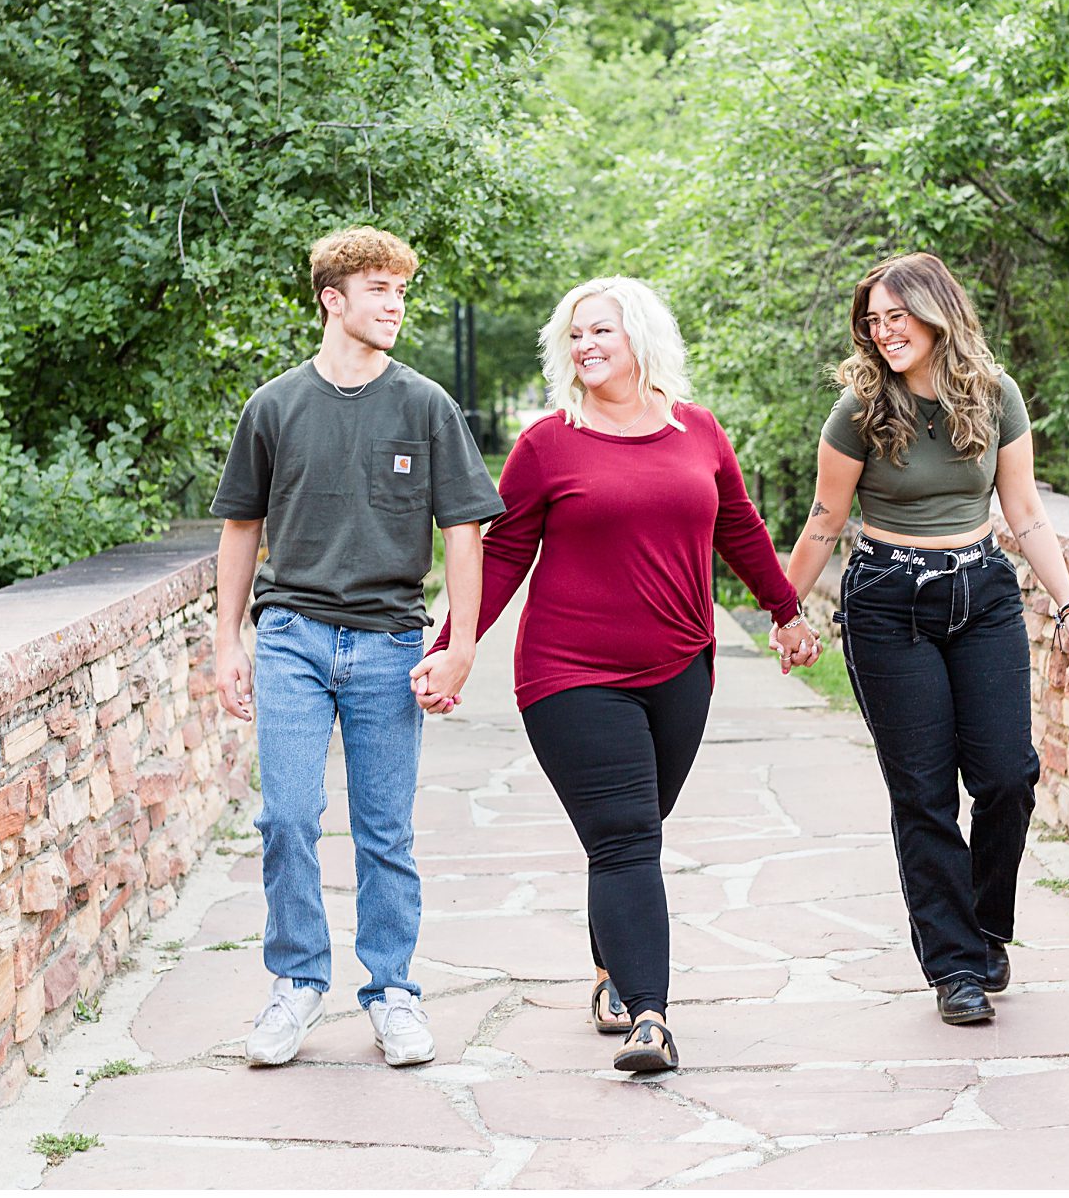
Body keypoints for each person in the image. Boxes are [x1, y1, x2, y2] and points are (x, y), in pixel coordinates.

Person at [415, 276, 818, 1074]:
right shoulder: (546, 444)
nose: (586, 346)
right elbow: (502, 558)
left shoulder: (698, 432)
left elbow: (738, 527)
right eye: (574, 335)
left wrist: (785, 609)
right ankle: (651, 1019)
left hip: (680, 667)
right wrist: (454, 645)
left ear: (640, 337)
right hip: (570, 673)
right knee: (629, 839)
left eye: (601, 330)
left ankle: (610, 973)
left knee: (629, 838)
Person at [783, 250, 1069, 1027]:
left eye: (897, 316)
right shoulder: (858, 411)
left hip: (982, 592)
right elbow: (825, 522)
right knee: (924, 793)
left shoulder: (995, 396)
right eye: (873, 320)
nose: (883, 331)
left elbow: (1024, 512)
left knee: (1007, 777)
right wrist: (783, 611)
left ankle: (987, 925)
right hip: (889, 602)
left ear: (936, 313)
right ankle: (956, 966)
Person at [211, 226, 505, 1069]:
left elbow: (463, 533)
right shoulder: (273, 406)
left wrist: (459, 644)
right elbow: (241, 528)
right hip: (292, 638)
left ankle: (394, 992)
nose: (396, 305)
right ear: (333, 299)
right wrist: (227, 640)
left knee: (385, 832)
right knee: (287, 818)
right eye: (380, 290)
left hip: (388, 642)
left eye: (403, 291)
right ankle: (297, 984)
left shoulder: (425, 405)